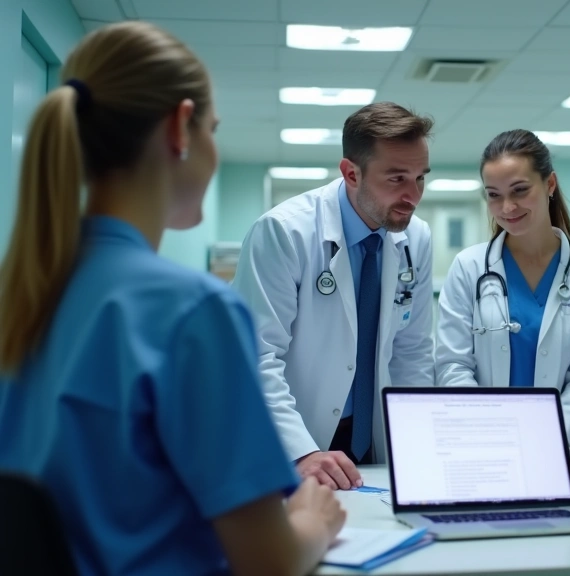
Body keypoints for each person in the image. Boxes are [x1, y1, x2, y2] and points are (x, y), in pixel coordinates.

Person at [0, 22, 345, 576]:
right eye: (213, 129)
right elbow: (269, 562)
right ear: (182, 128)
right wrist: (313, 520)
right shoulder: (192, 311)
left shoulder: (22, 293)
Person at [232, 102, 435, 490]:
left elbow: (412, 351)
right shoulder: (284, 233)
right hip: (296, 444)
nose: (413, 195)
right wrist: (301, 452)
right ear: (351, 173)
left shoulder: (415, 238)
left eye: (420, 178)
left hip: (375, 442)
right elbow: (256, 356)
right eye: (396, 179)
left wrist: (416, 441)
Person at [435, 129, 570, 440]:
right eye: (494, 195)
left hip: (556, 443)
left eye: (519, 190)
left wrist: (549, 433)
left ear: (550, 184)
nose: (507, 208)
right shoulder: (468, 268)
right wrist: (491, 429)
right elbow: (453, 365)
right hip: (483, 439)